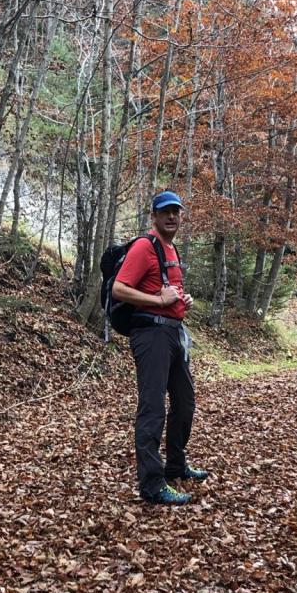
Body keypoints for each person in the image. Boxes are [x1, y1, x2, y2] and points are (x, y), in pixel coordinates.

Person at [112, 190, 208, 505]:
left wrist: (182, 300)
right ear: (153, 216)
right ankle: (152, 485)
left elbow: (168, 290)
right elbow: (119, 289)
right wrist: (159, 300)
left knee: (185, 401)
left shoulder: (170, 248)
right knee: (152, 407)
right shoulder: (144, 246)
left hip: (173, 332)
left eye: (175, 212)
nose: (171, 217)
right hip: (150, 334)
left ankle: (175, 466)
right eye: (165, 212)